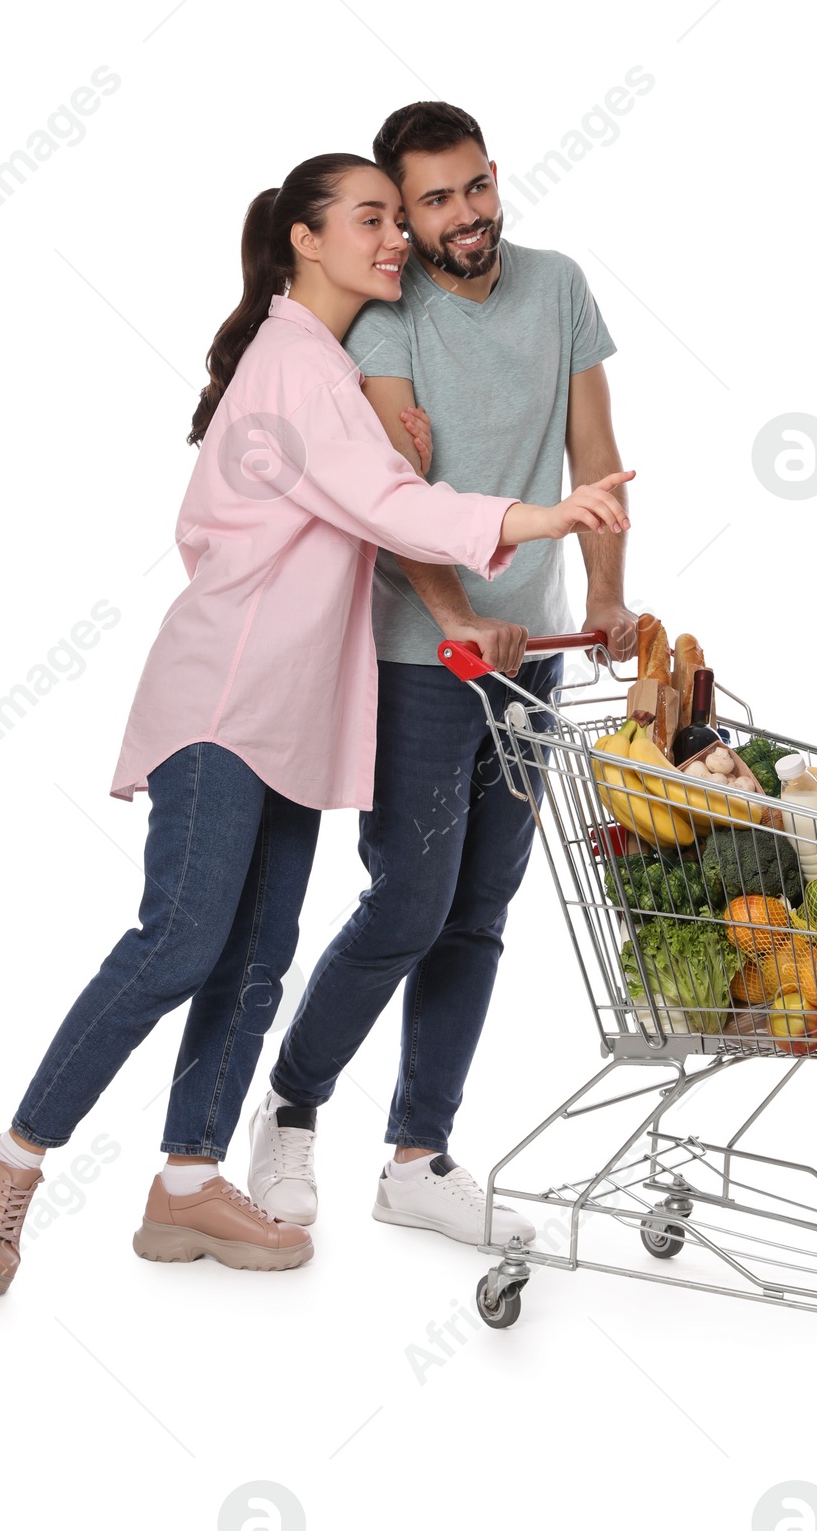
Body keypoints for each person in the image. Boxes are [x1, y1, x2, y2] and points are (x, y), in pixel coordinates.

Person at [0, 152, 632, 1295]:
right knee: (177, 942)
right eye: (372, 218)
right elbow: (391, 503)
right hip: (224, 705)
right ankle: (4, 1158)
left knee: (257, 953)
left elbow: (384, 494)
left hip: (291, 716)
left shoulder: (320, 360)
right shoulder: (294, 365)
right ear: (305, 239)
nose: (396, 236)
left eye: (390, 219)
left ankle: (187, 1183)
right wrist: (546, 513)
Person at [245, 103, 638, 1246]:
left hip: (532, 661)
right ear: (404, 222)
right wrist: (460, 614)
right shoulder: (389, 314)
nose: (464, 216)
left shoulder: (559, 285)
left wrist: (603, 597)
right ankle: (292, 1109)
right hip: (419, 657)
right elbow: (390, 492)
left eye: (475, 188)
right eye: (434, 202)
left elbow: (596, 459)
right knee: (406, 906)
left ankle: (419, 1155)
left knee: (478, 914)